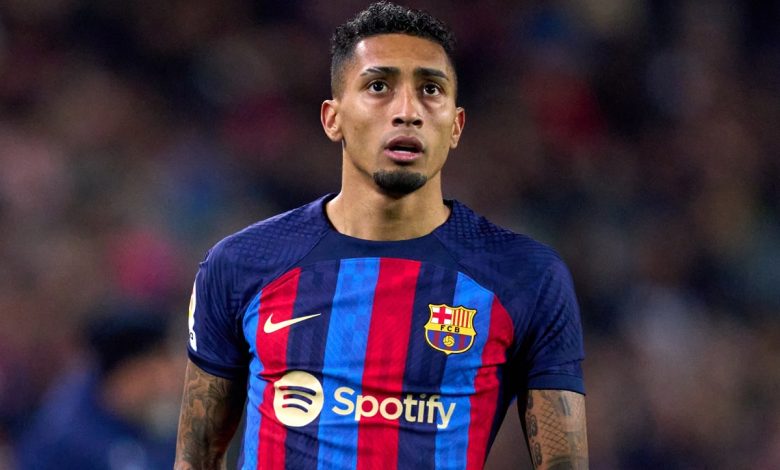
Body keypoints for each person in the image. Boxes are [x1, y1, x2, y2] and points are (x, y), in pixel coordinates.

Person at [175, 2, 588, 469]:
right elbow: (195, 459)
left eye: (430, 89)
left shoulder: (525, 275)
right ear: (332, 119)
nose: (407, 111)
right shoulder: (242, 263)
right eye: (378, 87)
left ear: (455, 126)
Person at [17, 306, 182, 470]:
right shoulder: (67, 440)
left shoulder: (148, 426)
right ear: (125, 375)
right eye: (152, 379)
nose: (166, 388)